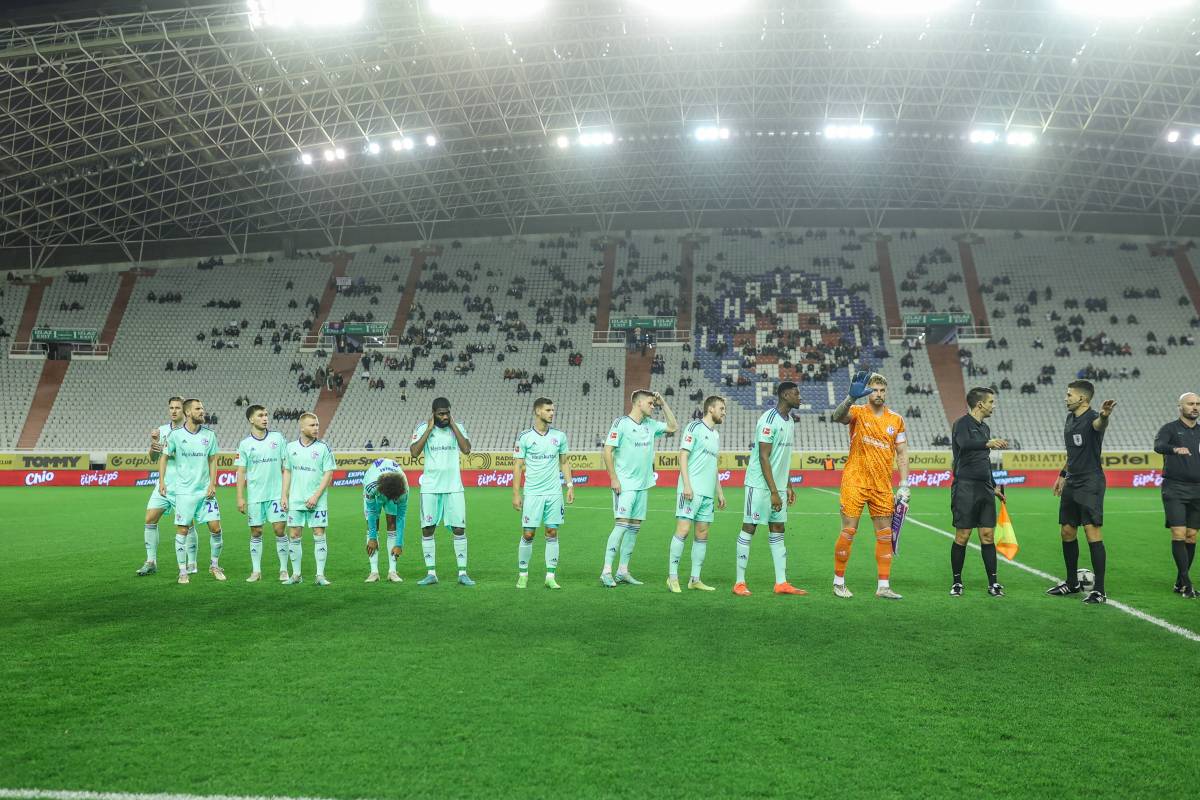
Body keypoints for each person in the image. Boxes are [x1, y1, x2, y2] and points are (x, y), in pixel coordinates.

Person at [830, 372, 909, 600]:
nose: (879, 394)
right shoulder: (857, 411)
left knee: (885, 534)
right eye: (874, 390)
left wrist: (904, 484)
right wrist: (850, 398)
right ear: (867, 392)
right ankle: (838, 583)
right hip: (855, 480)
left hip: (882, 485)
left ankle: (883, 586)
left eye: (882, 390)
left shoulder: (896, 419)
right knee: (848, 531)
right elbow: (837, 416)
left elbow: (902, 453)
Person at [734, 382, 807, 597]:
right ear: (785, 395)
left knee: (778, 528)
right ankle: (739, 582)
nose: (800, 397)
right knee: (750, 526)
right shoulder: (768, 419)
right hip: (759, 485)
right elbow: (763, 457)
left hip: (778, 486)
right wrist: (774, 492)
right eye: (796, 393)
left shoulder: (790, 421)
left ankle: (781, 583)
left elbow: (782, 458)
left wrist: (788, 485)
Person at [601, 390, 678, 587]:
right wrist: (614, 479)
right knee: (621, 525)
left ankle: (622, 571)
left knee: (634, 528)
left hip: (643, 485)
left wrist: (663, 402)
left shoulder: (650, 425)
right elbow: (607, 450)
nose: (653, 406)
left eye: (654, 403)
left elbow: (673, 427)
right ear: (639, 403)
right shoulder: (621, 423)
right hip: (625, 484)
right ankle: (606, 571)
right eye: (650, 403)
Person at [1047, 380, 1116, 604]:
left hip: (1090, 481)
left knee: (1091, 531)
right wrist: (1062, 474)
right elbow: (1072, 453)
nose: (1066, 398)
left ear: (1082, 398)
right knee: (1067, 531)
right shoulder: (1070, 418)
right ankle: (1072, 583)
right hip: (1073, 480)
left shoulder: (1093, 417)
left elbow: (1099, 424)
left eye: (1069, 395)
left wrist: (1105, 415)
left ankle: (1100, 590)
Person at [949, 388, 1009, 597]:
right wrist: (987, 443)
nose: (994, 405)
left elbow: (984, 460)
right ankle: (957, 582)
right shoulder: (961, 424)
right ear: (980, 404)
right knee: (963, 536)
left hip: (984, 488)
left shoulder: (985, 428)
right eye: (991, 401)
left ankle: (993, 583)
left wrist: (994, 486)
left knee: (987, 535)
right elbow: (965, 444)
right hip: (965, 487)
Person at [157, 399, 223, 584]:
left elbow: (213, 460)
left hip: (205, 492)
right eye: (198, 409)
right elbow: (164, 458)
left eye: (202, 408)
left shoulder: (209, 435)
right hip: (184, 492)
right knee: (183, 530)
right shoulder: (175, 435)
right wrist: (162, 481)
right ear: (187, 412)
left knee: (216, 528)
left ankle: (214, 565)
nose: (202, 411)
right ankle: (183, 571)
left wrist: (212, 484)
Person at [512, 397, 575, 589]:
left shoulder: (559, 436)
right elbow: (518, 466)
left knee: (552, 532)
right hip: (533, 493)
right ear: (537, 411)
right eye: (548, 410)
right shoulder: (524, 437)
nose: (552, 413)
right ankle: (523, 575)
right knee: (528, 534)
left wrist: (570, 485)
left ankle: (550, 576)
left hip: (554, 493)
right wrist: (516, 494)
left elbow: (564, 462)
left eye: (553, 410)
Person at [411, 398, 474, 586]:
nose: (445, 417)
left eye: (447, 413)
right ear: (433, 413)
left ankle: (462, 573)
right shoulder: (423, 428)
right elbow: (414, 452)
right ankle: (431, 573)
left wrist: (453, 425)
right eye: (441, 414)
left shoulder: (457, 427)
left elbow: (466, 449)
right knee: (428, 528)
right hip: (430, 487)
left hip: (454, 487)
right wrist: (429, 429)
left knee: (459, 528)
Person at [668, 395, 727, 593]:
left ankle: (695, 579)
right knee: (683, 530)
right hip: (691, 491)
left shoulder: (715, 435)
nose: (724, 412)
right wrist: (686, 485)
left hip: (707, 494)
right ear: (710, 409)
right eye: (721, 408)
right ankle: (672, 577)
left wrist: (719, 492)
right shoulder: (694, 427)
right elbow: (683, 455)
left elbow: (713, 466)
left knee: (702, 533)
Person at [136, 397, 199, 576]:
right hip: (163, 484)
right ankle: (151, 561)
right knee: (150, 519)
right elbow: (153, 458)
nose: (174, 411)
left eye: (177, 408)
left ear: (184, 411)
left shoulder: (191, 431)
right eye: (171, 408)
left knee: (187, 523)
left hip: (183, 486)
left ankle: (192, 563)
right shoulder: (162, 430)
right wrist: (154, 445)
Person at [1153, 392, 1200, 597]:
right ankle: (1187, 584)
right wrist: (1175, 449)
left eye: (1198, 404)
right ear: (1180, 407)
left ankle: (1180, 582)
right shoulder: (1169, 429)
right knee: (1179, 533)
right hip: (1175, 488)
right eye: (1190, 404)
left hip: (1198, 489)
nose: (1195, 407)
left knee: (1191, 536)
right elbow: (1158, 446)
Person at [234, 405, 288, 583]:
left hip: (276, 494)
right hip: (256, 495)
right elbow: (241, 472)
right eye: (260, 415)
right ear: (251, 419)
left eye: (266, 415)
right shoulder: (244, 444)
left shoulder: (277, 438)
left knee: (279, 529)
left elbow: (286, 466)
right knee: (256, 532)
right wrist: (240, 497)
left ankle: (283, 570)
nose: (265, 418)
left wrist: (285, 493)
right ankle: (256, 571)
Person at [281, 413, 336, 586]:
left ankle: (320, 575)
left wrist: (316, 496)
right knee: (294, 535)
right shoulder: (290, 447)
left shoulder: (324, 448)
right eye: (312, 425)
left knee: (319, 534)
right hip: (296, 500)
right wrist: (284, 495)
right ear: (302, 427)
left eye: (317, 425)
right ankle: (296, 575)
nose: (316, 428)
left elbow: (328, 473)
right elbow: (287, 471)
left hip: (317, 501)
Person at [362, 457, 409, 584]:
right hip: (378, 489)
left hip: (391, 489)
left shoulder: (403, 490)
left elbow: (401, 517)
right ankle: (374, 572)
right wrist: (372, 537)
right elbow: (371, 512)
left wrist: (399, 544)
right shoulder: (371, 486)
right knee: (373, 524)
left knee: (392, 523)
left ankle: (392, 572)